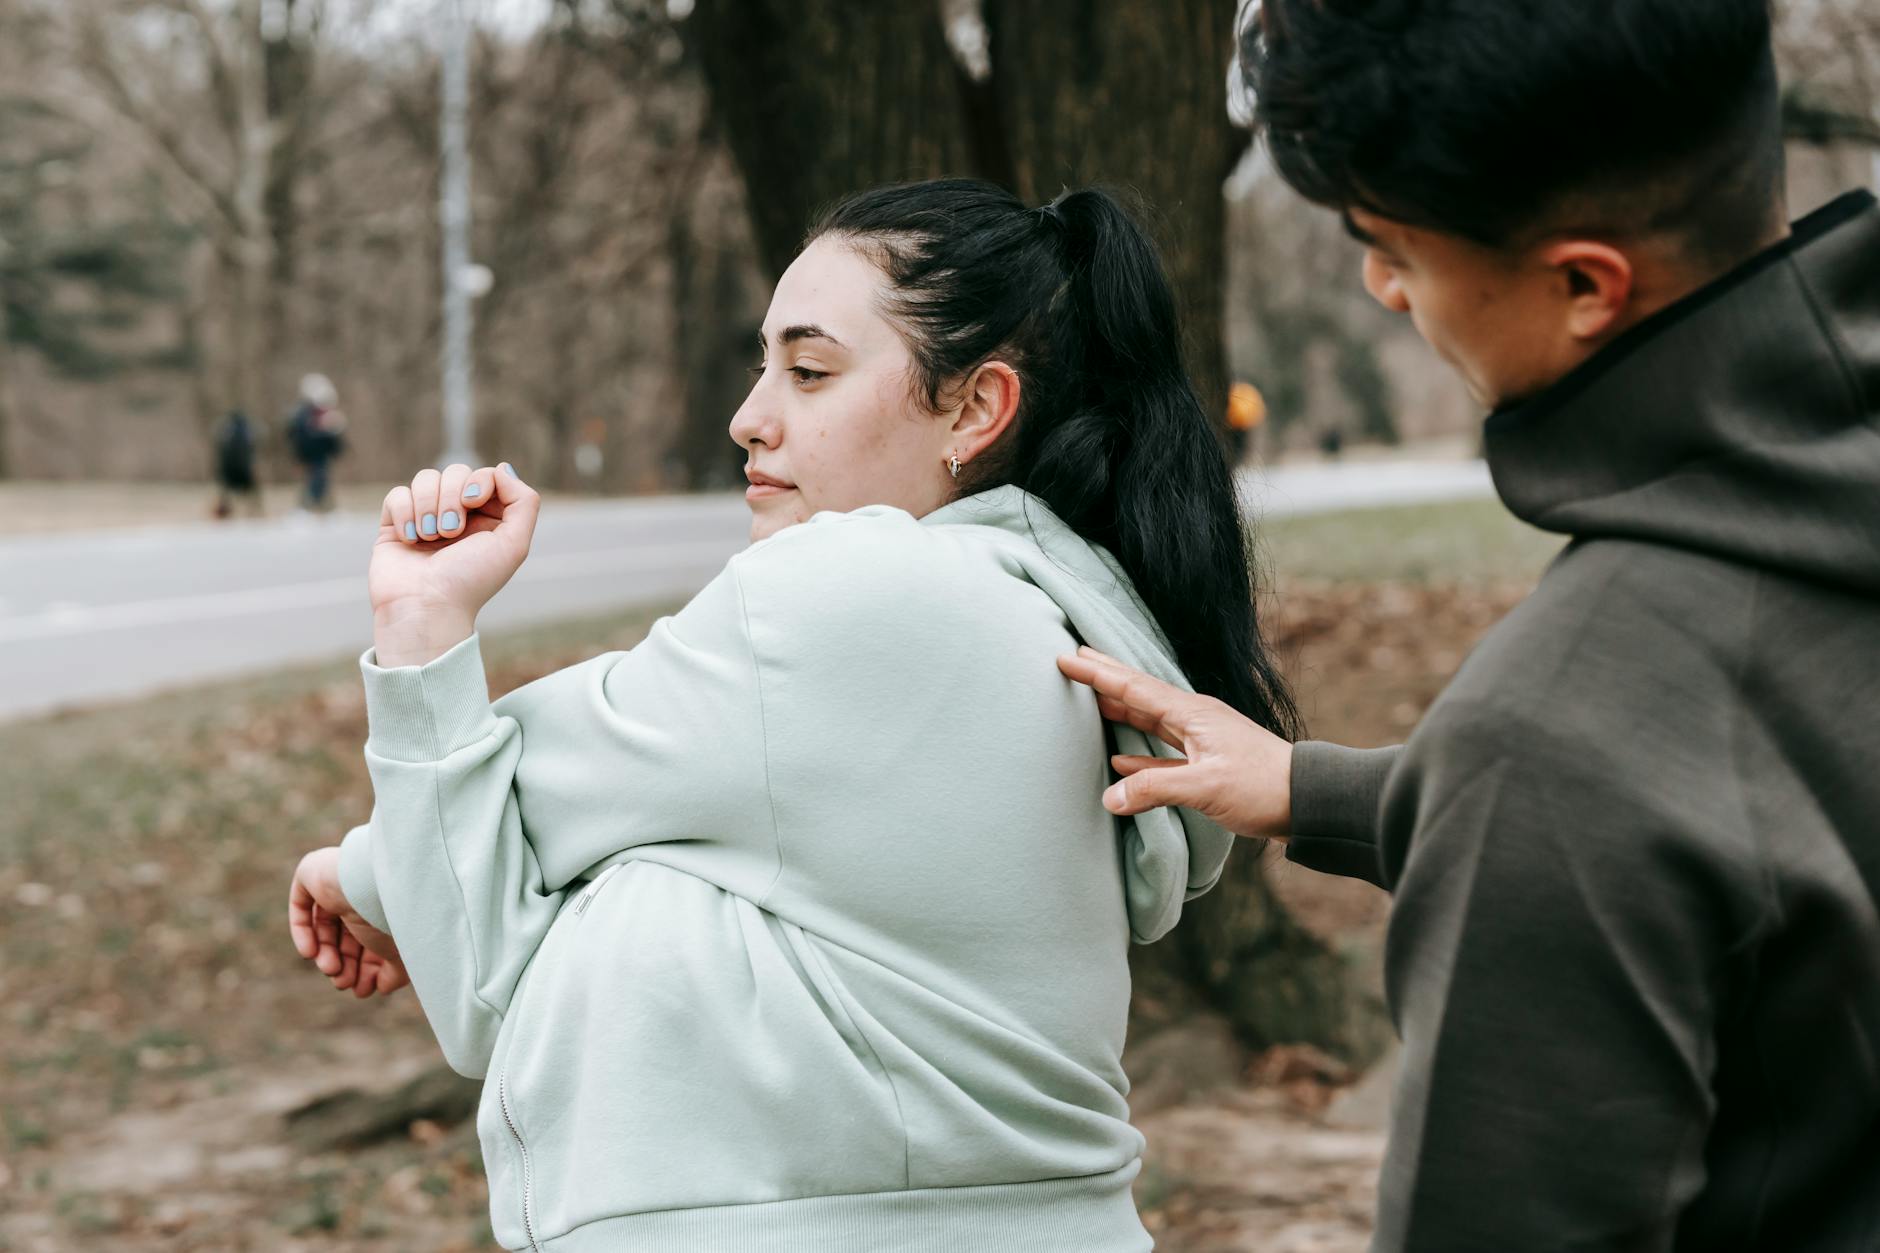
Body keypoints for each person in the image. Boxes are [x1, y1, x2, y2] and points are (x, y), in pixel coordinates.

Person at [285, 179, 1299, 1251]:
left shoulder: (849, 596)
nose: (748, 415)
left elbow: (476, 871)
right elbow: (480, 924)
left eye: (809, 371)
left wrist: (410, 676)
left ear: (974, 408)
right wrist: (392, 868)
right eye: (761, 361)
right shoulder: (1046, 618)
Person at [1060, 3, 1880, 1250]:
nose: (1379, 286)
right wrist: (1315, 789)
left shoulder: (1562, 727)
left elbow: (1615, 778)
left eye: (1393, 244)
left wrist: (1506, 788)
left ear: (1580, 283)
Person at [286, 373, 347, 512]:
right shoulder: (303, 416)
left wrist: (332, 432)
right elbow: (300, 437)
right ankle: (305, 508)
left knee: (321, 479)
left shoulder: (321, 416)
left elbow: (334, 443)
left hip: (319, 455)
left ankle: (326, 508)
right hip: (310, 455)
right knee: (315, 479)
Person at [210, 408, 263, 519]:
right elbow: (253, 447)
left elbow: (219, 448)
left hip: (228, 468)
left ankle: (223, 513)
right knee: (252, 490)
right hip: (243, 468)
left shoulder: (225, 430)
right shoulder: (248, 431)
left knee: (225, 492)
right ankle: (255, 512)